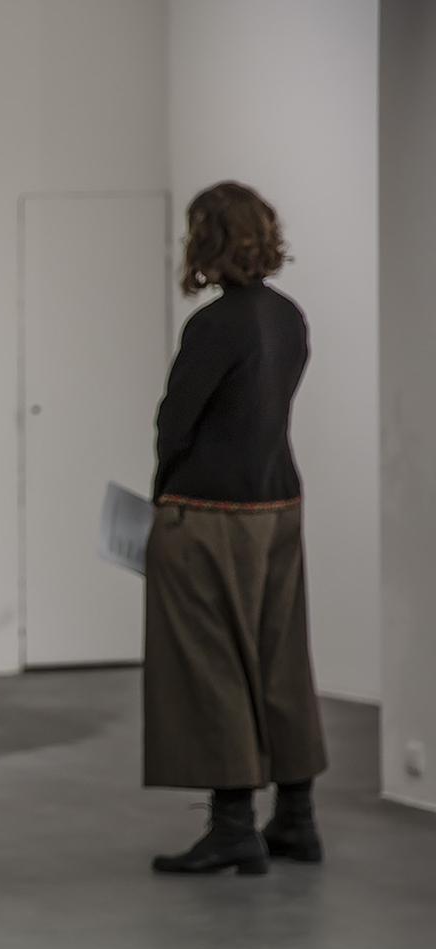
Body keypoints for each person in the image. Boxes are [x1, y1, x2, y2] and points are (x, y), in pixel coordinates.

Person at [146, 182, 327, 876]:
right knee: (282, 660)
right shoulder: (288, 317)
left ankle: (232, 827)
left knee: (211, 664)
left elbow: (175, 422)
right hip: (278, 504)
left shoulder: (214, 325)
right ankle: (297, 818)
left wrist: (164, 495)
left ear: (208, 239)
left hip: (208, 513)